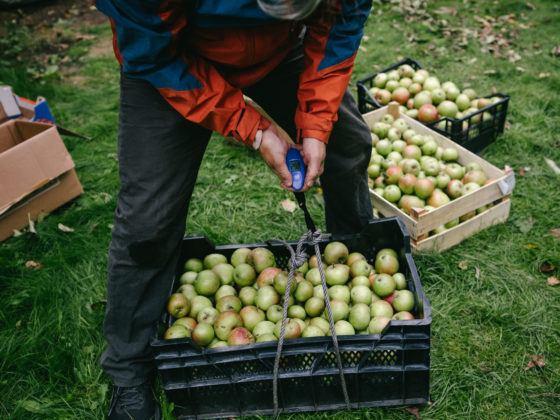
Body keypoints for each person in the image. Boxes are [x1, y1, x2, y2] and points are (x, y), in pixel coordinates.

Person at [93, 0, 373, 418]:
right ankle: (128, 369)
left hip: (278, 51)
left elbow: (339, 22)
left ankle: (354, 272)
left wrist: (315, 125)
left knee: (346, 145)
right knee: (147, 218)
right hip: (175, 59)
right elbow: (151, 49)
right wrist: (256, 131)